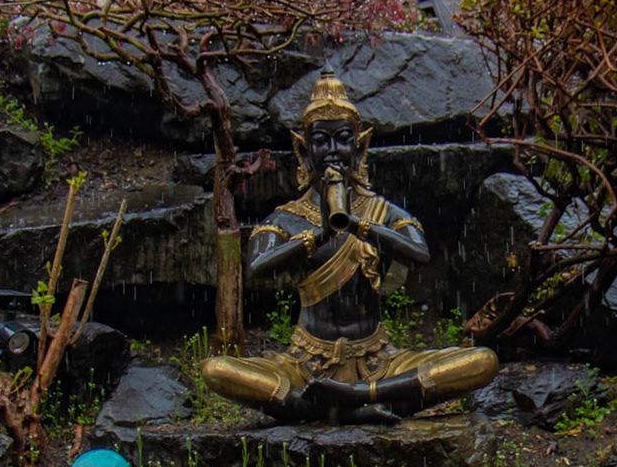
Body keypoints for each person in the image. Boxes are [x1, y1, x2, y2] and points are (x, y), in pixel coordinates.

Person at [199, 73, 499, 424]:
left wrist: (356, 224)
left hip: (378, 361)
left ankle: (353, 398)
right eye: (320, 141)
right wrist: (320, 235)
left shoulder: (381, 211)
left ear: (359, 148)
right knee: (217, 370)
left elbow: (419, 254)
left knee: (483, 362)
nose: (332, 151)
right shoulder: (286, 218)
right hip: (305, 366)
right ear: (303, 150)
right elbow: (259, 266)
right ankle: (341, 405)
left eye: (342, 139)